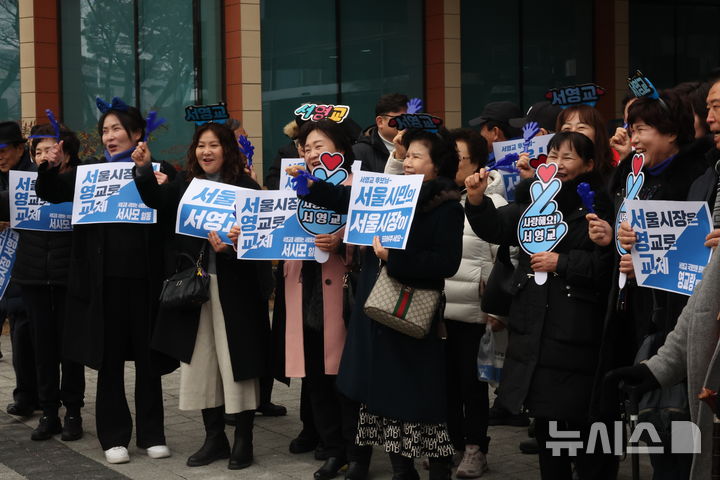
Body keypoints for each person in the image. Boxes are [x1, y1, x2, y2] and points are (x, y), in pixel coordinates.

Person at [287, 126, 464, 480]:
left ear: (437, 164)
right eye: (407, 155)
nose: (407, 162)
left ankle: (436, 466)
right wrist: (309, 184)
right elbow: (345, 199)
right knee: (374, 391)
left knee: (414, 395)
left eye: (416, 156)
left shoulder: (446, 207)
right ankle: (398, 468)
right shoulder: (390, 193)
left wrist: (393, 257)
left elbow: (446, 264)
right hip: (373, 306)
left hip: (411, 312)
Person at [464, 132, 617, 480]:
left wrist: (561, 262)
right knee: (548, 426)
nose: (558, 164)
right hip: (534, 327)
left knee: (581, 425)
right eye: (552, 156)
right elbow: (497, 227)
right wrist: (476, 199)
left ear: (588, 165)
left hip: (576, 330)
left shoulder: (596, 205)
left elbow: (605, 266)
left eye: (568, 157)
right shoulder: (533, 202)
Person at [35, 100, 177, 464]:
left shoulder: (160, 169)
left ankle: (152, 433)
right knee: (109, 360)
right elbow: (51, 192)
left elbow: (165, 208)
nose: (109, 136)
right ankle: (113, 436)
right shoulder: (90, 172)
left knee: (148, 360)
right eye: (105, 130)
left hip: (145, 281)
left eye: (116, 129)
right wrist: (49, 167)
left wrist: (146, 173)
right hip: (102, 283)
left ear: (137, 133)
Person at [132, 122, 271, 470]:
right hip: (196, 288)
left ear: (228, 149)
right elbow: (157, 201)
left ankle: (243, 439)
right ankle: (214, 438)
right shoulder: (186, 183)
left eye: (214, 145)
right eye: (200, 145)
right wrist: (144, 169)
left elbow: (261, 242)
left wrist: (234, 246)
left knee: (236, 363)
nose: (206, 152)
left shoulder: (246, 187)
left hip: (236, 290)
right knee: (202, 362)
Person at [590, 89, 708, 480]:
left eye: (642, 129)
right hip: (630, 308)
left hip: (675, 315)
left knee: (677, 418)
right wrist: (616, 239)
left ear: (671, 132)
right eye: (631, 129)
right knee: (649, 416)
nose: (634, 139)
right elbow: (624, 226)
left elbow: (694, 253)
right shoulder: (630, 172)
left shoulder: (697, 174)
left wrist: (646, 262)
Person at [273, 119, 372, 480]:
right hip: (303, 291)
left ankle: (357, 454)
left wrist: (342, 239)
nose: (313, 153)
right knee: (316, 378)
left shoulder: (357, 187)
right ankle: (333, 451)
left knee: (346, 381)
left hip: (343, 296)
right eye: (307, 147)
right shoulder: (292, 187)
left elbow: (373, 232)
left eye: (320, 146)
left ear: (341, 150)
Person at [0, 124, 86, 441]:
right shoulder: (23, 185)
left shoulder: (80, 184)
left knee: (71, 350)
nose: (43, 156)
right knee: (43, 349)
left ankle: (73, 412)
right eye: (38, 152)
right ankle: (49, 413)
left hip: (69, 277)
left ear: (66, 152)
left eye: (50, 149)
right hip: (32, 276)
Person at [443, 128, 505, 478]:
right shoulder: (439, 198)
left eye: (459, 158)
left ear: (478, 164)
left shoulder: (494, 203)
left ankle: (475, 448)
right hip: (438, 309)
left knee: (472, 384)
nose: (452, 164)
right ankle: (451, 443)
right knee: (446, 382)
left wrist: (495, 308)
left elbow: (506, 259)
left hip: (473, 310)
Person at [0, 121, 38, 419]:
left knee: (25, 332)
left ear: (19, 148)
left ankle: (33, 396)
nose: (0, 157)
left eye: (3, 149)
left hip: (28, 265)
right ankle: (27, 394)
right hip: (4, 268)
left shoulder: (33, 176)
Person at [352, 93, 408, 173]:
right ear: (380, 122)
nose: (404, 123)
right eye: (399, 119)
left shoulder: (416, 145)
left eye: (407, 118)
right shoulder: (359, 152)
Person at [556, 105, 615, 177]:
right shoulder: (554, 173)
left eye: (581, 127)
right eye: (567, 128)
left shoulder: (613, 176)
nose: (573, 131)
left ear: (597, 133)